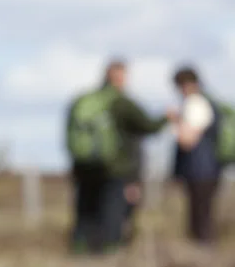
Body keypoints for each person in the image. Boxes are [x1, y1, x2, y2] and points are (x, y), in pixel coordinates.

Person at [66, 60, 171, 254]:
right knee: (112, 212)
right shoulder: (122, 103)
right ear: (121, 77)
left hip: (83, 166)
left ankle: (80, 250)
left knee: (85, 211)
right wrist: (167, 118)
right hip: (115, 168)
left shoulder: (82, 101)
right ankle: (109, 253)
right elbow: (148, 126)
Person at [171, 67, 221, 248]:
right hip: (205, 169)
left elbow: (188, 140)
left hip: (202, 170)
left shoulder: (197, 104)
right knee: (200, 216)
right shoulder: (202, 103)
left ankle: (202, 260)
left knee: (201, 219)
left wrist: (176, 121)